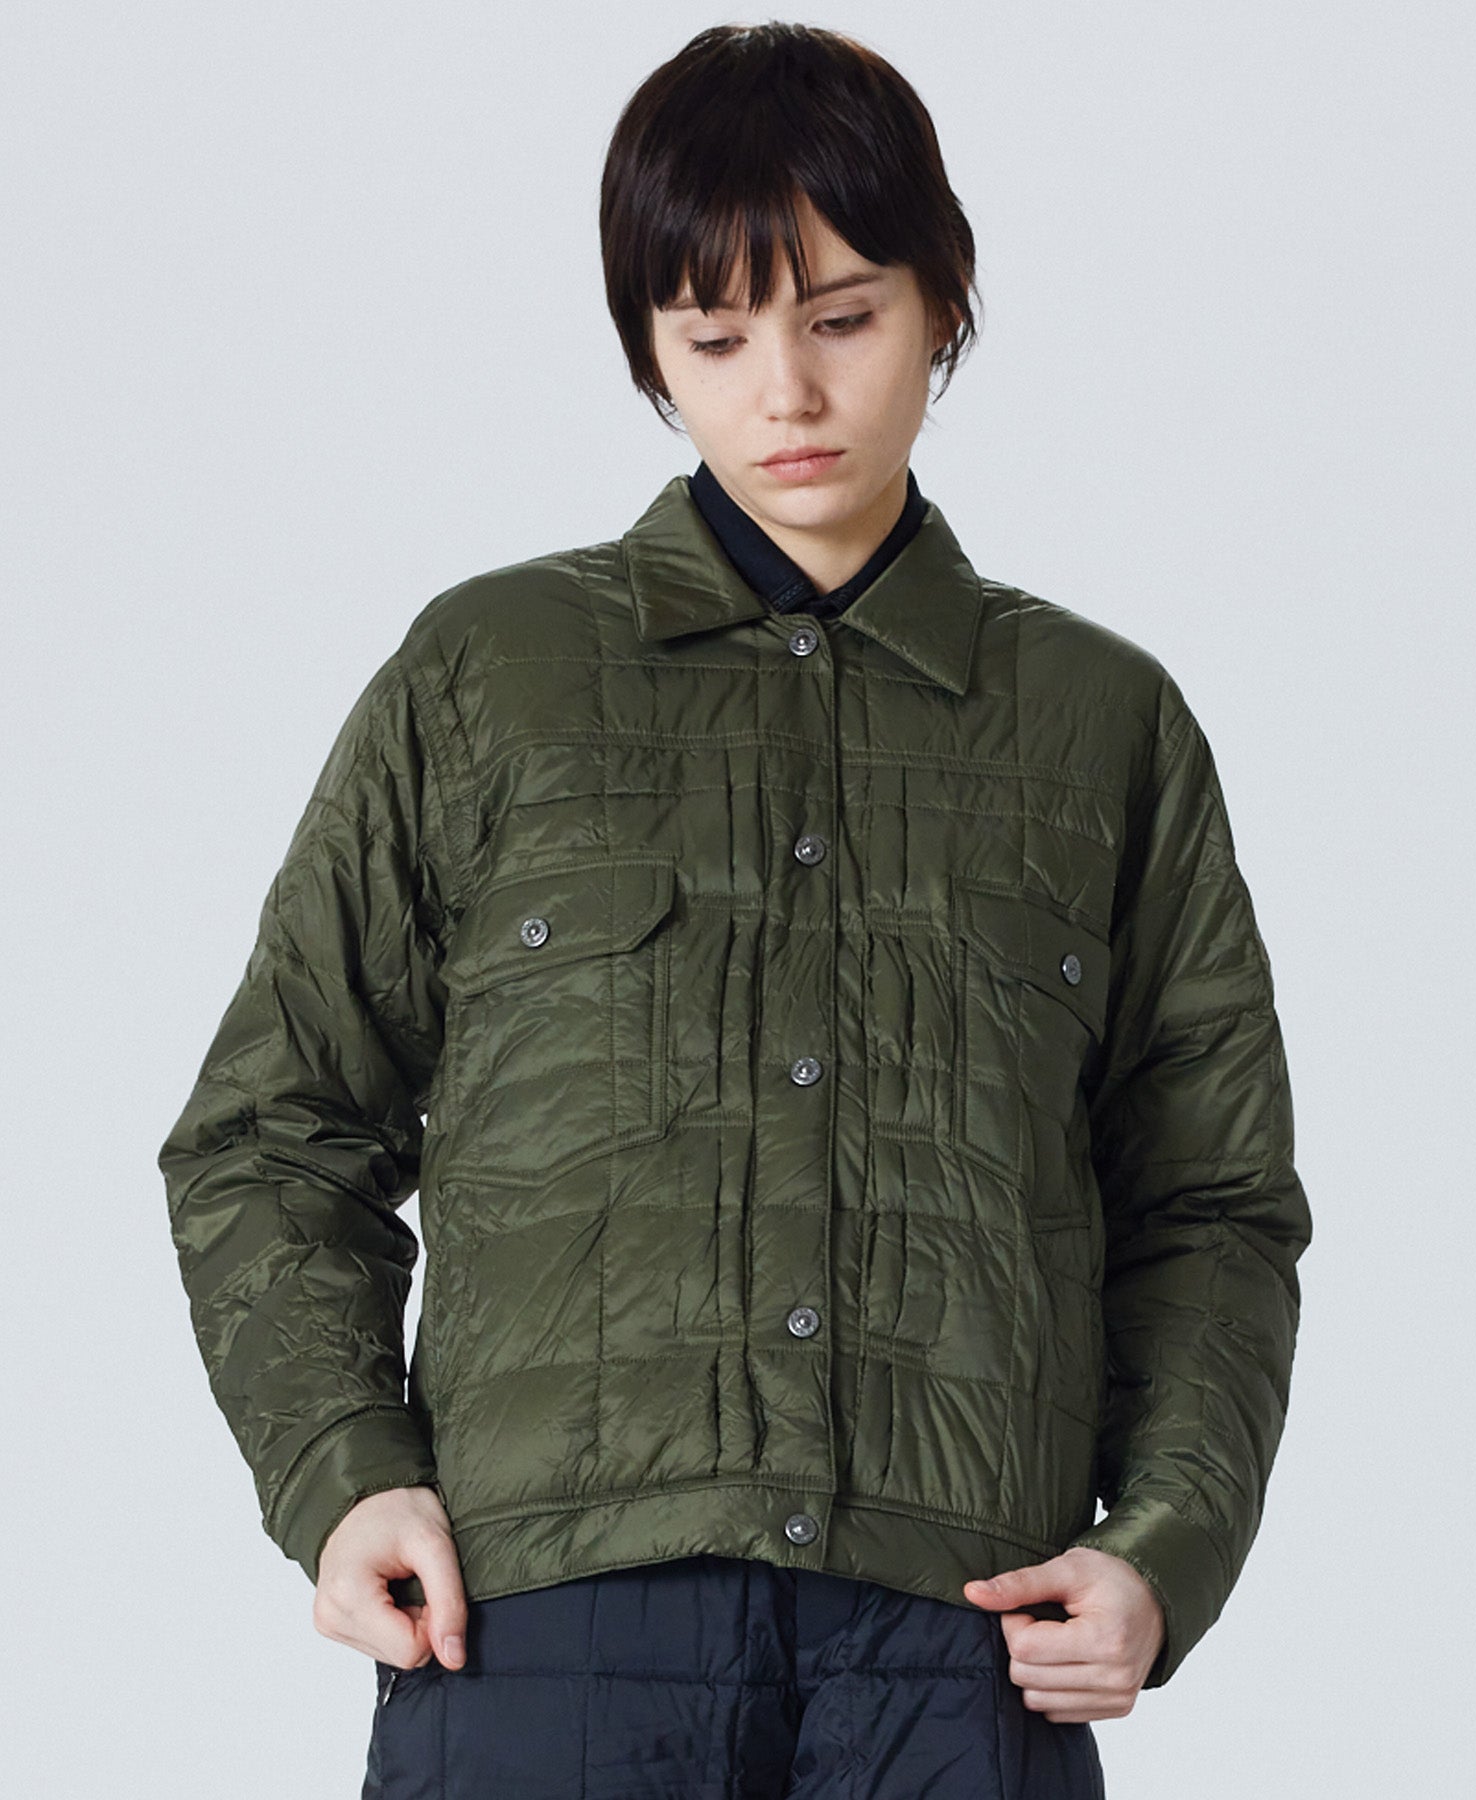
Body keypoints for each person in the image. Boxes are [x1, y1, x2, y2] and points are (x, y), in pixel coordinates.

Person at [158, 21, 1311, 1798]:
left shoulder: (1104, 724)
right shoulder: (487, 678)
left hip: (961, 1650)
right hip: (539, 1637)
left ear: (944, 304)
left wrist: (1166, 1544)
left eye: (842, 319)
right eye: (714, 338)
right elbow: (270, 1134)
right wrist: (340, 1471)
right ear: (649, 349)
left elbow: (1212, 1206)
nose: (786, 393)